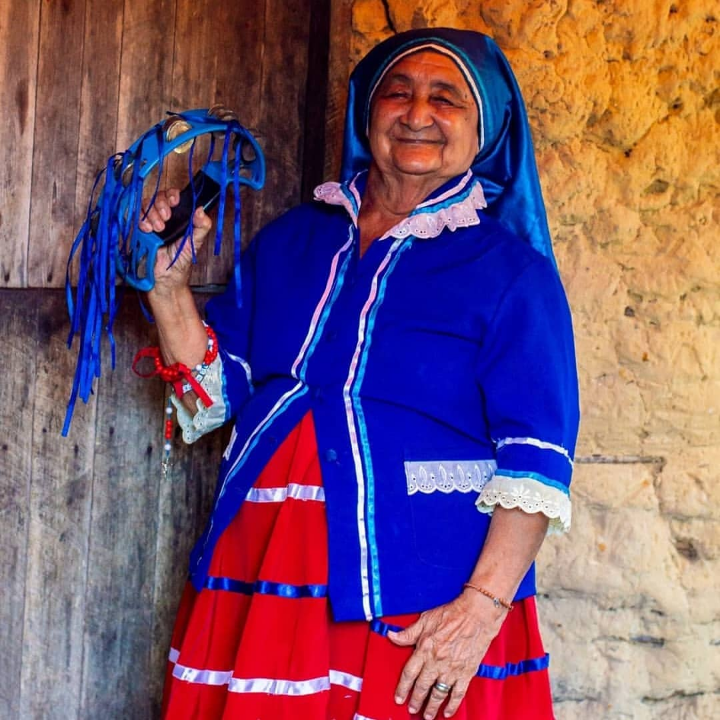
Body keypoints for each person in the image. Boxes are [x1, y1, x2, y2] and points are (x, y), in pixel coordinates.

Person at [143, 28, 579, 720]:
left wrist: (481, 609)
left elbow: (538, 463)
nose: (417, 113)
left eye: (446, 98)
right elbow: (216, 397)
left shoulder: (512, 275)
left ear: (485, 131)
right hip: (267, 572)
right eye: (397, 93)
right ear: (367, 115)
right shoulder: (292, 241)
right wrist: (168, 290)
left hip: (422, 594)